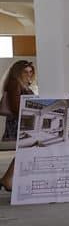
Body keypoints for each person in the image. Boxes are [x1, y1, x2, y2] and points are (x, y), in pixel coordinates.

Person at [1, 60, 35, 191]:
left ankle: (8, 179)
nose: (28, 74)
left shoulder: (23, 84)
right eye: (25, 71)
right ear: (17, 72)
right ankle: (7, 179)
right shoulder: (15, 83)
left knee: (26, 149)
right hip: (19, 121)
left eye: (30, 71)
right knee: (26, 149)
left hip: (24, 119)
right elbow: (16, 107)